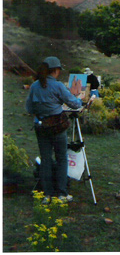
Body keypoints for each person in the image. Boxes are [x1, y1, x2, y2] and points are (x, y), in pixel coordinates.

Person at [26, 56, 84, 204]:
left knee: (45, 160)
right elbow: (73, 103)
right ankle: (62, 194)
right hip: (57, 127)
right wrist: (80, 101)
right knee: (62, 159)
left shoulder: (34, 86)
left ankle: (47, 195)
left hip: (41, 127)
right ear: (56, 70)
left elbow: (29, 107)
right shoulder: (58, 86)